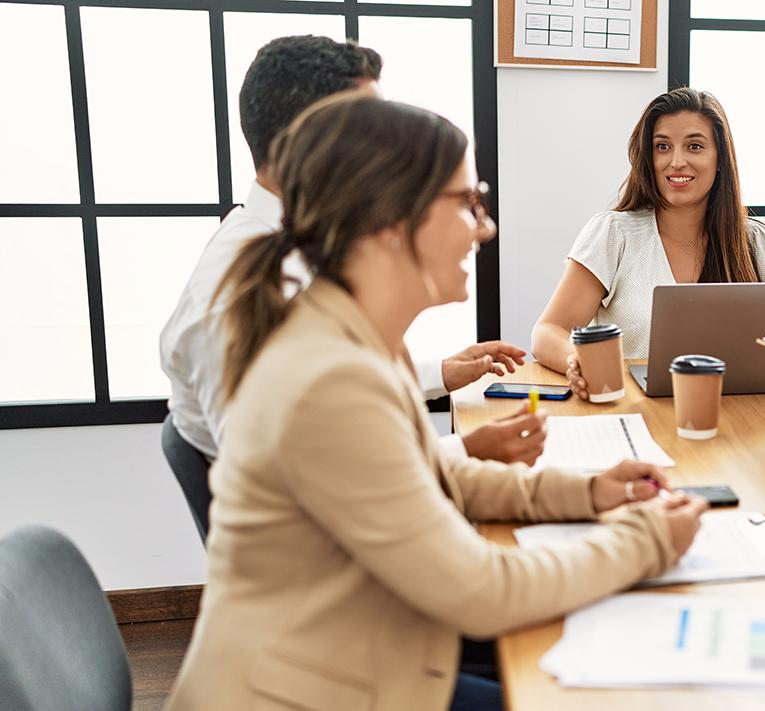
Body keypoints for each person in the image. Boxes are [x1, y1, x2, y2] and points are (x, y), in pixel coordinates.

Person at [157, 93, 708, 711]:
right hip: (318, 700)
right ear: (393, 219)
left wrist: (589, 490)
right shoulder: (327, 379)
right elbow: (484, 592)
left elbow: (438, 475)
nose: (485, 227)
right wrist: (646, 540)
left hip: (368, 647)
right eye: (467, 203)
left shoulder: (355, 335)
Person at [160, 35, 543, 469]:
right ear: (310, 142)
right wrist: (465, 451)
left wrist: (440, 373)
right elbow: (304, 479)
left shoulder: (305, 242)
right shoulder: (245, 294)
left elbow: (329, 393)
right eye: (369, 128)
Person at [531, 87, 765, 399]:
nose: (676, 161)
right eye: (662, 146)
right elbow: (548, 332)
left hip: (743, 416)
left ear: (719, 158)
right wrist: (578, 360)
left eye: (694, 146)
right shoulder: (613, 233)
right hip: (638, 413)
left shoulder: (754, 240)